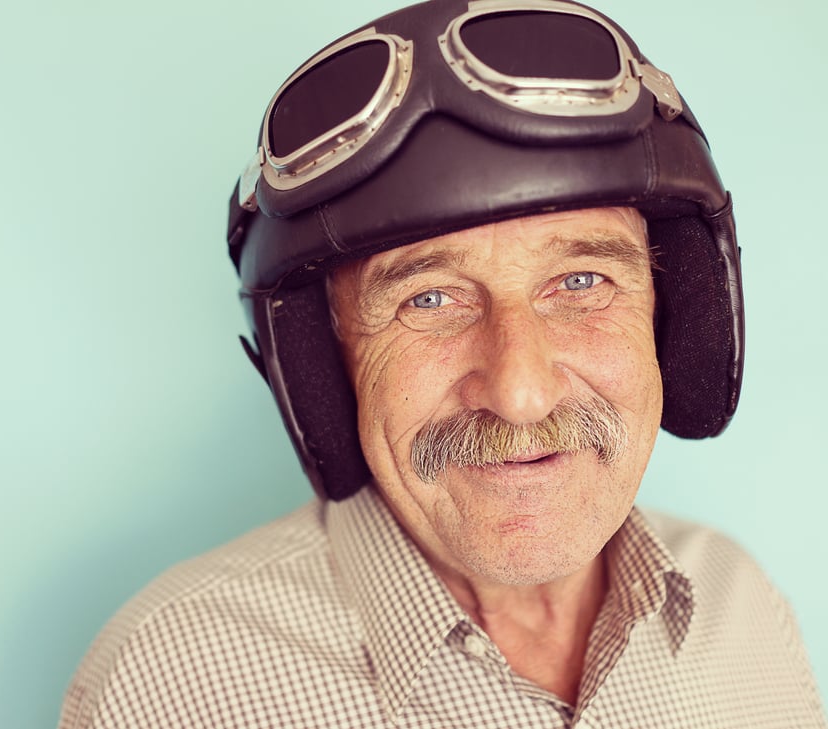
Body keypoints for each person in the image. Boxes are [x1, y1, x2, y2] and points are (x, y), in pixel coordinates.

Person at [58, 0, 826, 726]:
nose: (520, 392)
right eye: (429, 300)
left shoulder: (744, 611)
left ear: (676, 316)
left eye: (582, 281)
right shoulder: (168, 682)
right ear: (327, 363)